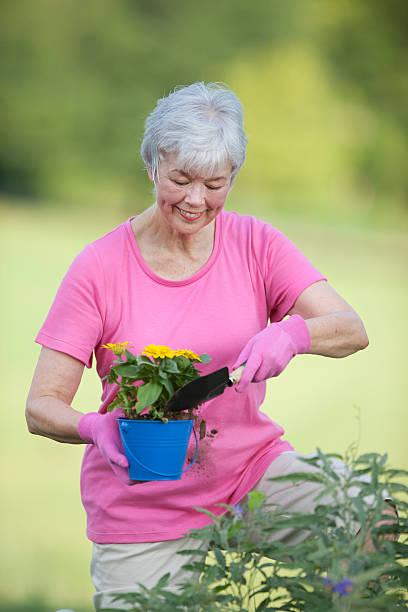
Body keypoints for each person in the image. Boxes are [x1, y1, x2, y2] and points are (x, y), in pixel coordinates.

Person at [26, 82, 372, 610]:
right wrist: (96, 428)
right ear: (151, 167)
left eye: (214, 183)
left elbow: (351, 328)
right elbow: (40, 406)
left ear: (233, 177)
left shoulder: (257, 244)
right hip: (142, 507)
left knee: (368, 513)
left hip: (249, 474)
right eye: (180, 179)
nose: (195, 199)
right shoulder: (97, 268)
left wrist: (293, 333)